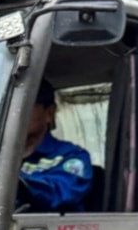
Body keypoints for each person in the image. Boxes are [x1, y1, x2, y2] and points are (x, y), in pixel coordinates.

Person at [16, 79, 95, 212]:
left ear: (49, 113)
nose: (14, 115)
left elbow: (61, 192)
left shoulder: (72, 157)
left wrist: (14, 186)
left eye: (23, 106)